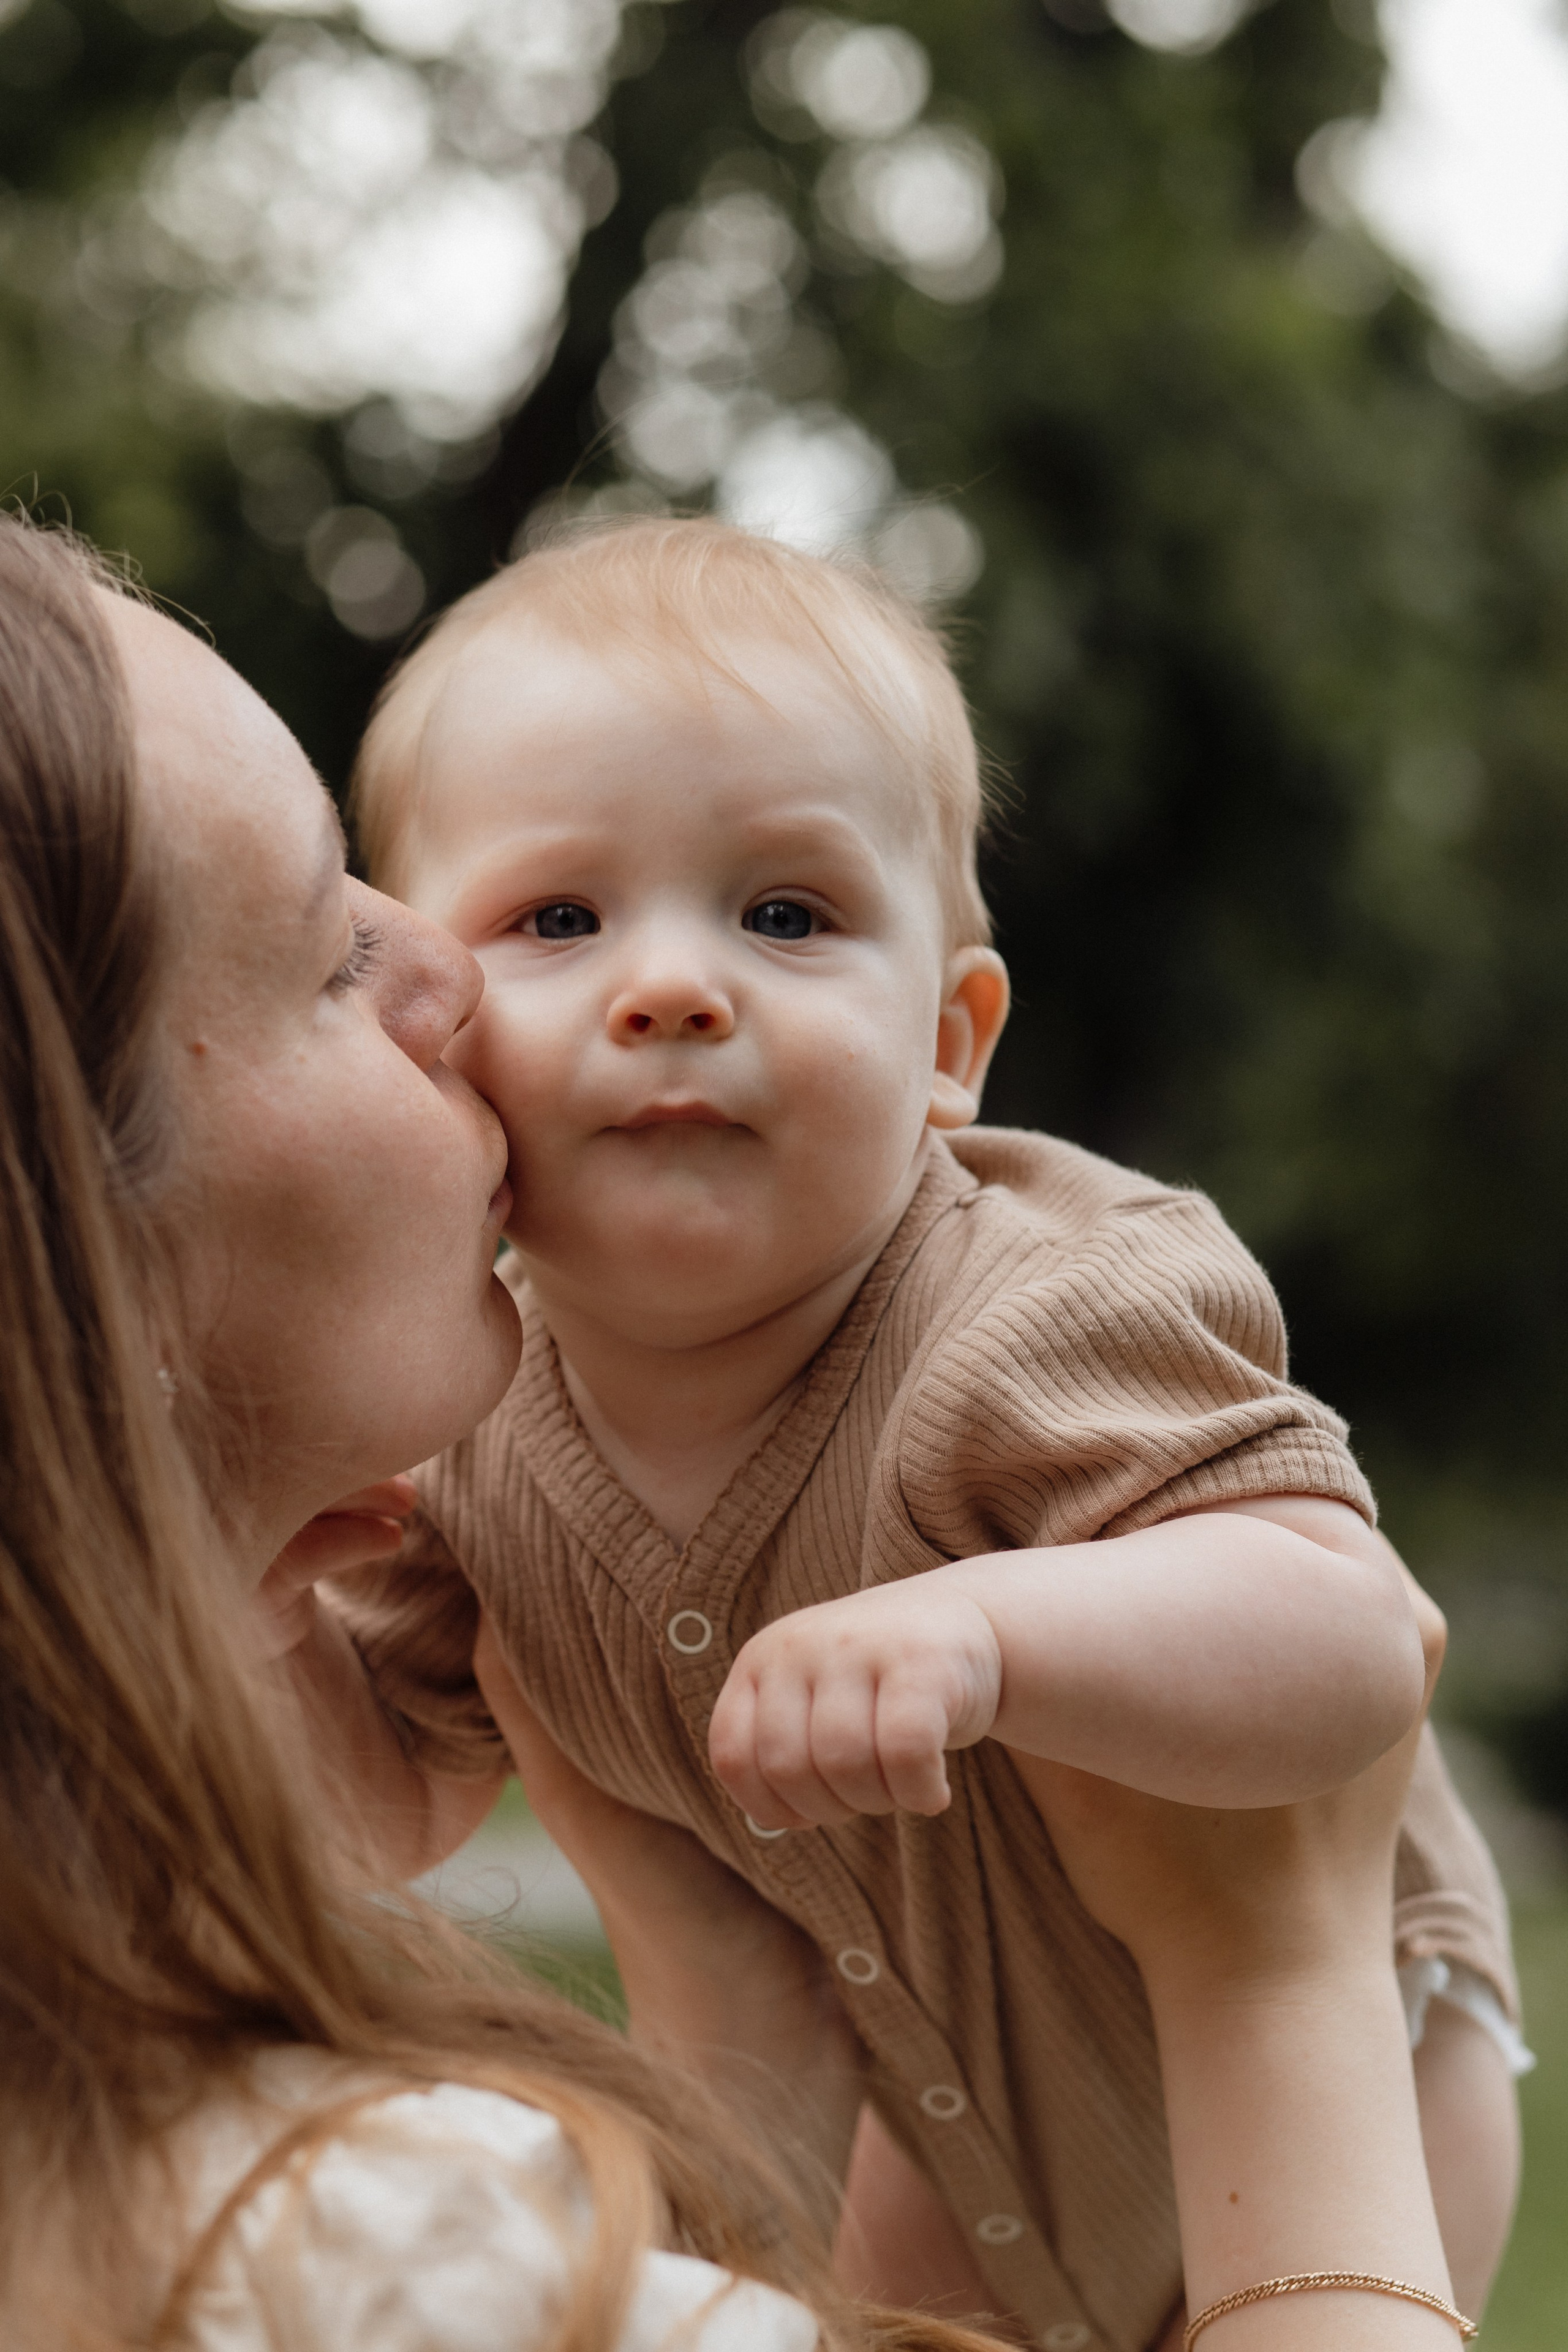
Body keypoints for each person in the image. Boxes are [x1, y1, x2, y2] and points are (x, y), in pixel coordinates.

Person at [0, 505, 1478, 2352]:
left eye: (786, 916)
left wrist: (989, 1631)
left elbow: (1356, 1644)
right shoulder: (471, 1455)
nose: (676, 985)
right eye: (554, 919)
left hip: (1369, 2075)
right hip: (938, 2103)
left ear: (952, 1041)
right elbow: (364, 1795)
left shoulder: (1041, 1300)